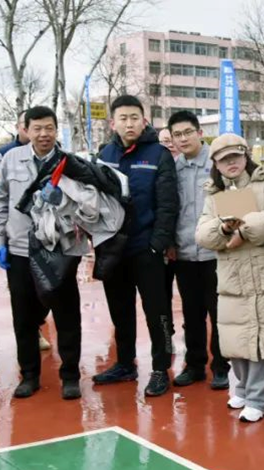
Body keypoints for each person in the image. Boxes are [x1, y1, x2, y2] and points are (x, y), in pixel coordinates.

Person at [195, 134, 264, 422]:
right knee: (235, 336)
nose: (231, 163)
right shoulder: (213, 195)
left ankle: (259, 399)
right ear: (216, 164)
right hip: (233, 278)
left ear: (246, 155)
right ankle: (243, 387)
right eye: (224, 160)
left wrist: (241, 229)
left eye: (236, 156)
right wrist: (224, 229)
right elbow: (202, 234)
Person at [0, 106, 83, 400]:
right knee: (24, 317)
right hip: (20, 250)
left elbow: (86, 204)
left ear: (56, 129)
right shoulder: (10, 160)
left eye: (49, 128)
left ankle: (70, 376)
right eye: (37, 128)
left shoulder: (70, 162)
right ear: (26, 130)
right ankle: (29, 375)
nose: (44, 134)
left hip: (60, 250)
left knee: (67, 316)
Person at [92, 95, 179, 397]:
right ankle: (125, 364)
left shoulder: (158, 154)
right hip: (113, 249)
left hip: (146, 248)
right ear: (112, 123)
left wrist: (157, 244)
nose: (129, 123)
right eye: (123, 118)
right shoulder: (104, 155)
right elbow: (94, 200)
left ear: (144, 121)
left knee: (157, 312)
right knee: (121, 310)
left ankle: (160, 369)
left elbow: (168, 204)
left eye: (134, 117)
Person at [166, 111, 230, 390]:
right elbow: (169, 209)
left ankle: (221, 367)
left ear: (199, 133)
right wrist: (170, 242)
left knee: (220, 313)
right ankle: (194, 366)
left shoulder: (218, 164)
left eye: (188, 132)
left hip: (216, 253)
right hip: (184, 253)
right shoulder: (172, 169)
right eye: (177, 135)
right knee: (192, 314)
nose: (183, 139)